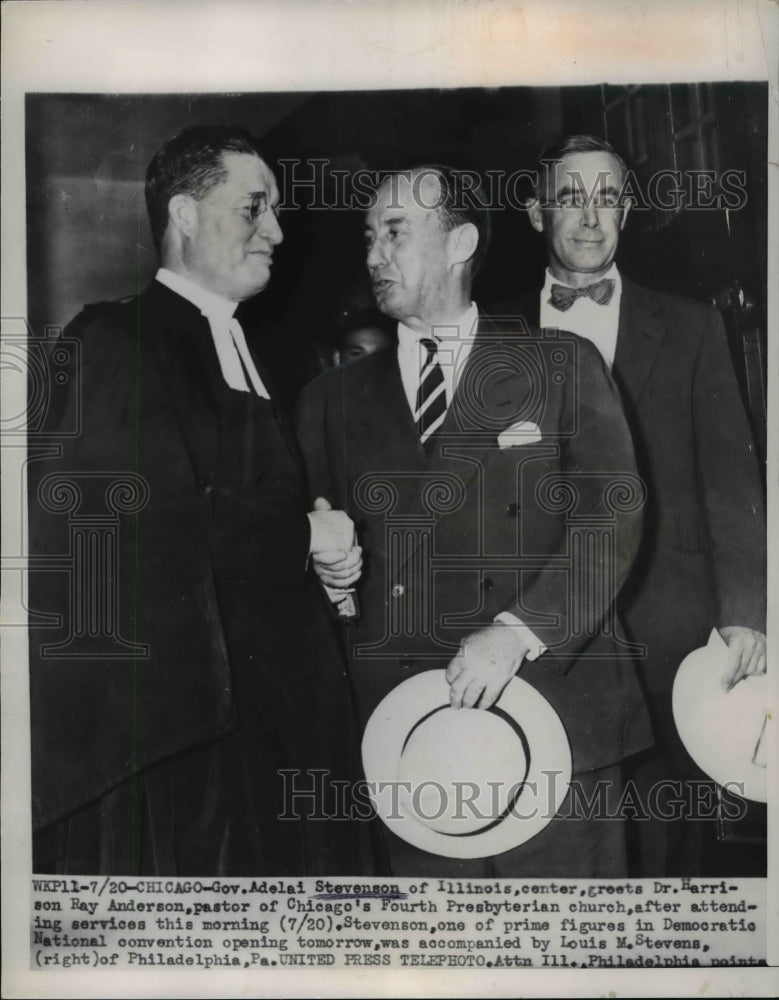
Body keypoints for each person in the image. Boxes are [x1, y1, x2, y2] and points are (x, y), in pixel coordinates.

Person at [296, 165, 652, 877]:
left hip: (554, 719)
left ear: (460, 243)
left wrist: (517, 633)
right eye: (368, 237)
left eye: (395, 233)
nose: (374, 255)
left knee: (568, 941)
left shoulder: (559, 363)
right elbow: (314, 555)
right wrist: (330, 578)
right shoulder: (329, 401)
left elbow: (612, 517)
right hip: (408, 738)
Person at [28, 125, 359, 876]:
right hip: (186, 750)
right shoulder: (115, 339)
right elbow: (135, 524)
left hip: (276, 733)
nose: (276, 231)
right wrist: (304, 539)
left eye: (276, 211)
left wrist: (322, 569)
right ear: (183, 214)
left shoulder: (253, 349)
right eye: (253, 208)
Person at [502, 133, 766, 876]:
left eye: (608, 198)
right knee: (560, 839)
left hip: (670, 630)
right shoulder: (493, 333)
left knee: (666, 843)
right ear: (535, 212)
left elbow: (731, 481)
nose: (591, 218)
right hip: (544, 634)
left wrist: (746, 611)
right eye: (570, 198)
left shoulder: (690, 326)